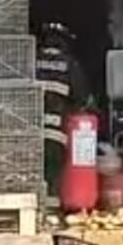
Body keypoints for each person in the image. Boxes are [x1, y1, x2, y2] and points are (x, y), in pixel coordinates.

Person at [35, 22, 89, 195]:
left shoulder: (31, 60)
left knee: (32, 171)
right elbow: (80, 96)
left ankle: (35, 207)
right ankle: (50, 211)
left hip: (31, 130)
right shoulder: (70, 64)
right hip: (55, 130)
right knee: (53, 171)